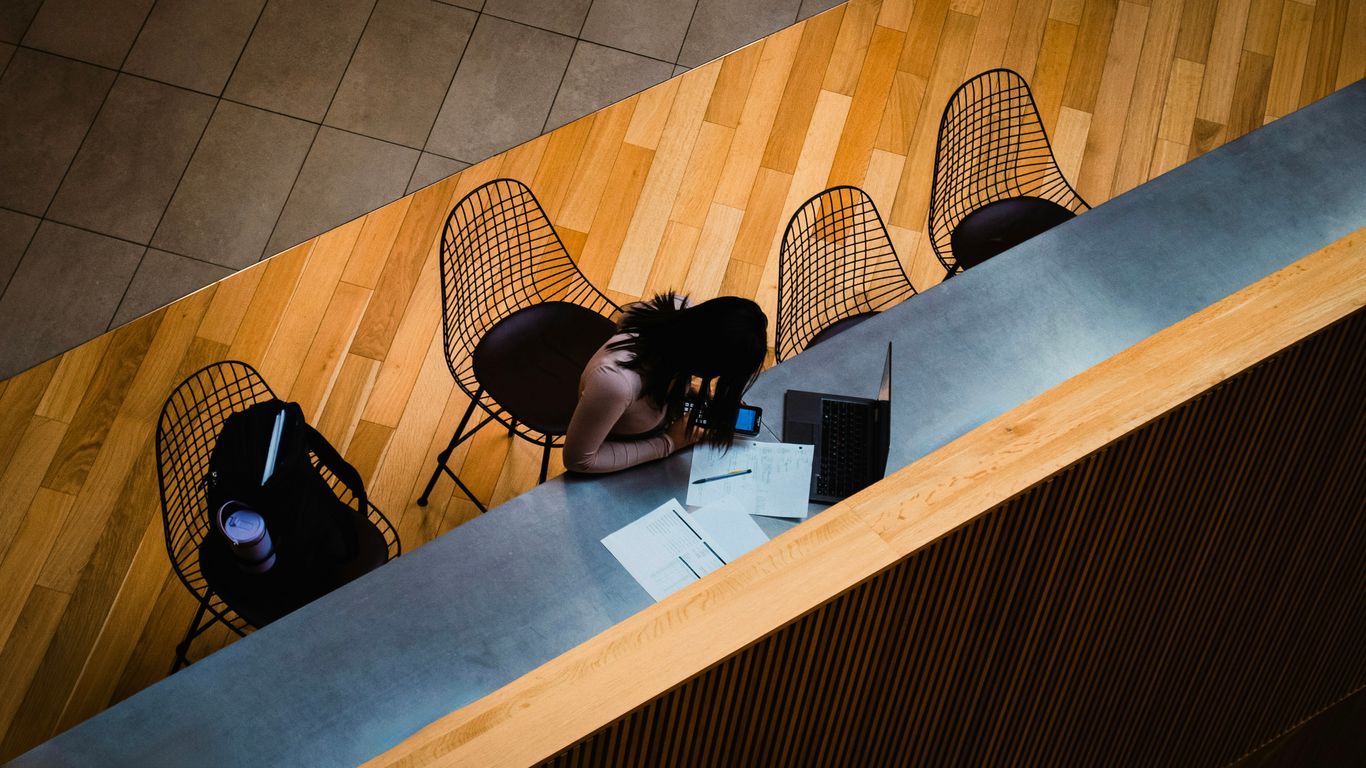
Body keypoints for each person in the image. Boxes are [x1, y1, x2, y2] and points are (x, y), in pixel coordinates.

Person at [562, 293, 767, 473]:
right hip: (615, 435)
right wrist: (669, 443)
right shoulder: (616, 383)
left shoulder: (679, 313)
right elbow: (579, 461)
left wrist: (694, 391)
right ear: (706, 363)